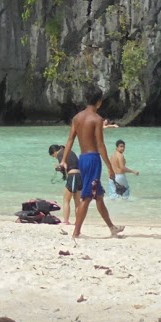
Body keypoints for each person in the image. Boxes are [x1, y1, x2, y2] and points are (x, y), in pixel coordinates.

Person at [60, 88, 124, 240]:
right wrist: (110, 167)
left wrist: (64, 159)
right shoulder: (97, 119)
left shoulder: (77, 117)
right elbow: (100, 145)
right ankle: (76, 232)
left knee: (99, 196)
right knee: (87, 197)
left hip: (83, 159)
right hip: (93, 159)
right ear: (99, 102)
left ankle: (112, 228)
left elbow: (70, 140)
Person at [50, 143, 81, 224]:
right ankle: (78, 221)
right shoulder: (68, 151)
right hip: (79, 176)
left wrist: (58, 168)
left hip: (73, 176)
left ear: (54, 152)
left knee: (66, 200)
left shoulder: (61, 154)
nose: (55, 157)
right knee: (77, 201)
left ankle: (66, 221)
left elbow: (64, 167)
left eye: (53, 156)